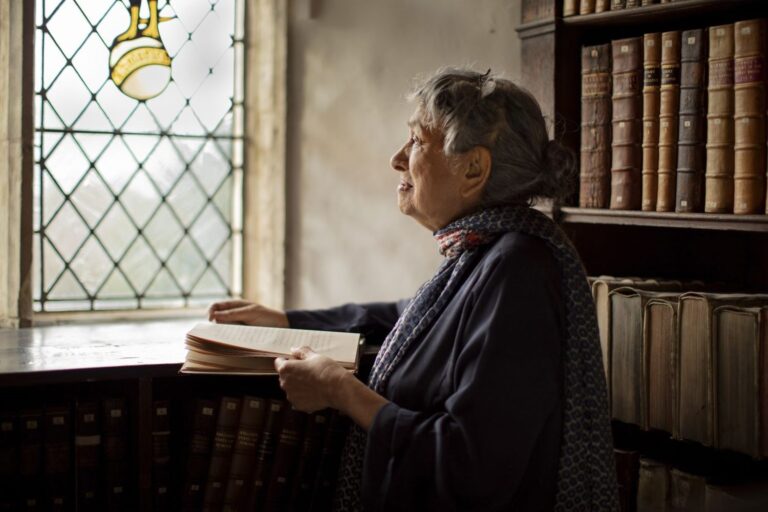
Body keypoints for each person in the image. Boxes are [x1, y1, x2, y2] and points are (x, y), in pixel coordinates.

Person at [208, 68, 619, 511]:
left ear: (474, 168)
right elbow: (407, 317)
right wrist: (286, 322)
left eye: (418, 141)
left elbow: (472, 467)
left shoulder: (517, 271)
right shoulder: (483, 254)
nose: (397, 158)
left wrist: (341, 392)